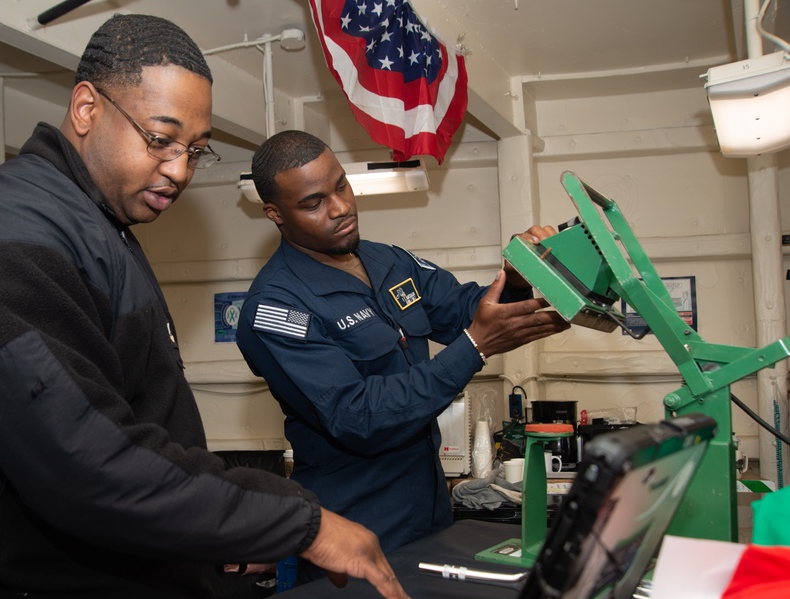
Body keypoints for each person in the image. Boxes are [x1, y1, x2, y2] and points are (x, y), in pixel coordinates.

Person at [0, 16, 417, 599]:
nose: (177, 169)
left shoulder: (96, 229)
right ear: (86, 107)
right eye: (160, 140)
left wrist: (236, 515)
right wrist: (299, 523)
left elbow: (138, 426)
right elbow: (85, 460)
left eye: (195, 149)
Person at [236, 130, 569, 563]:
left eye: (341, 185)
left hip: (428, 511)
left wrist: (520, 277)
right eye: (313, 203)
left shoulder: (389, 261)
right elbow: (357, 415)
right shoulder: (277, 306)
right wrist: (475, 347)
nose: (340, 208)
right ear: (275, 214)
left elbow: (467, 311)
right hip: (357, 526)